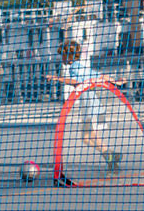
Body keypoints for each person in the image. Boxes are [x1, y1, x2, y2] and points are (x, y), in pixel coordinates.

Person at [46, 39, 123, 178]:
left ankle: (110, 156)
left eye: (62, 56)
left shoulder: (74, 68)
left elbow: (77, 82)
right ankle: (110, 155)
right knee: (86, 137)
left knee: (90, 136)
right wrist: (115, 80)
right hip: (93, 107)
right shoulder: (81, 66)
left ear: (67, 56)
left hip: (91, 107)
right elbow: (101, 76)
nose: (60, 58)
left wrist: (57, 78)